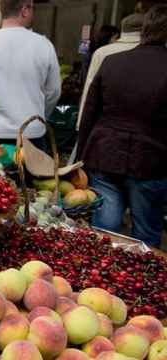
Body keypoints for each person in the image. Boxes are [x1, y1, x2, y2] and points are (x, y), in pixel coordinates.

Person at [76, 4, 167, 247]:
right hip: (151, 160)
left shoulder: (113, 62)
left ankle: (101, 279)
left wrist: (82, 156)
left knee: (105, 234)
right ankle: (144, 281)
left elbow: (89, 113)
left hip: (104, 154)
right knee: (146, 236)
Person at [0, 0, 60, 149]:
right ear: (25, 10)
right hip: (32, 135)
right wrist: (39, 116)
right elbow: (53, 92)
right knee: (30, 173)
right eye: (32, 8)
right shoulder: (44, 46)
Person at [77, 13, 145, 129]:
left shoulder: (101, 52)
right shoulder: (156, 53)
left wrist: (81, 124)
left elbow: (89, 89)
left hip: (105, 125)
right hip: (142, 128)